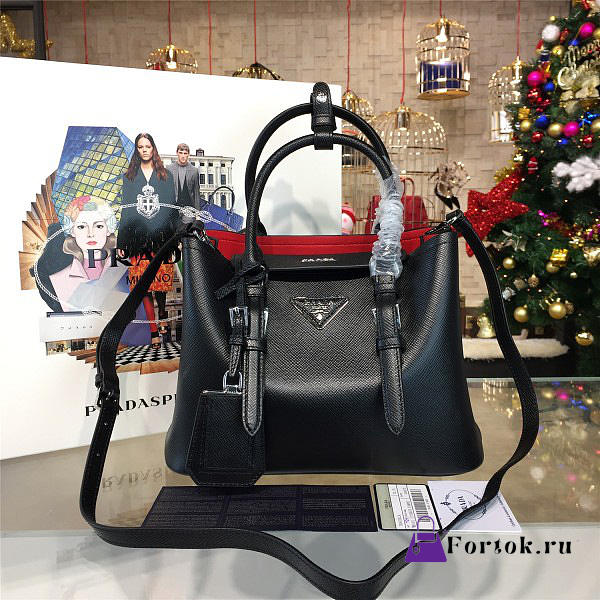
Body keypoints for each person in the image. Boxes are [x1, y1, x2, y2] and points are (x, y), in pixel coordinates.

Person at [117, 133, 178, 348]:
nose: (144, 150)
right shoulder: (129, 177)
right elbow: (126, 210)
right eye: (140, 147)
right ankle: (154, 331)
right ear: (137, 150)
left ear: (153, 149)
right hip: (137, 239)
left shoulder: (166, 176)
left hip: (161, 237)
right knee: (143, 287)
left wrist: (174, 239)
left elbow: (171, 209)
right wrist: (121, 242)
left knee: (161, 284)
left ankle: (162, 317)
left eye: (148, 146)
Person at [49, 195, 128, 312]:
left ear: (108, 229)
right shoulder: (59, 278)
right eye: (82, 226)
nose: (90, 234)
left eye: (98, 226)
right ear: (72, 231)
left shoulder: (126, 267)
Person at [166, 142, 201, 223]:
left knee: (187, 229)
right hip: (172, 209)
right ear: (177, 153)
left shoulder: (194, 171)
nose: (183, 156)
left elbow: (196, 194)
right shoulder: (169, 169)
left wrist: (197, 214)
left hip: (188, 209)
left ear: (188, 154)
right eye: (180, 153)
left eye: (185, 153)